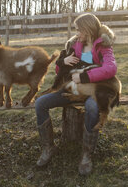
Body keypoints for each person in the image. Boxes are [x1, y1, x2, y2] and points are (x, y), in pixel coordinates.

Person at [34, 13, 117, 175]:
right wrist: (62, 62)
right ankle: (48, 148)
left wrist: (84, 77)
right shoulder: (75, 44)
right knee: (40, 103)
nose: (77, 33)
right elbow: (60, 71)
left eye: (79, 29)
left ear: (88, 29)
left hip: (93, 91)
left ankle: (86, 154)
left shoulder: (103, 46)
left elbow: (111, 68)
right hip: (72, 88)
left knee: (92, 108)